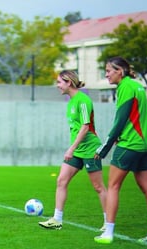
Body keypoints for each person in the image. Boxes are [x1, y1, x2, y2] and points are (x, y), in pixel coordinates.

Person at [94, 57, 147, 244]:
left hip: (129, 145)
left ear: (120, 71)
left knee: (114, 187)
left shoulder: (125, 87)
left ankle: (108, 233)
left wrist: (104, 148)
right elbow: (137, 116)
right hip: (146, 144)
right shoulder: (138, 85)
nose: (106, 74)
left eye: (109, 70)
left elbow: (120, 120)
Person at [39, 70, 107, 230]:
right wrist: (74, 149)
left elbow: (85, 127)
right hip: (77, 150)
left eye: (59, 82)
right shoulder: (71, 101)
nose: (57, 86)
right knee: (61, 181)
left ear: (69, 82)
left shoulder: (83, 100)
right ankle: (57, 219)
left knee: (98, 187)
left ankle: (108, 221)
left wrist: (71, 148)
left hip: (89, 149)